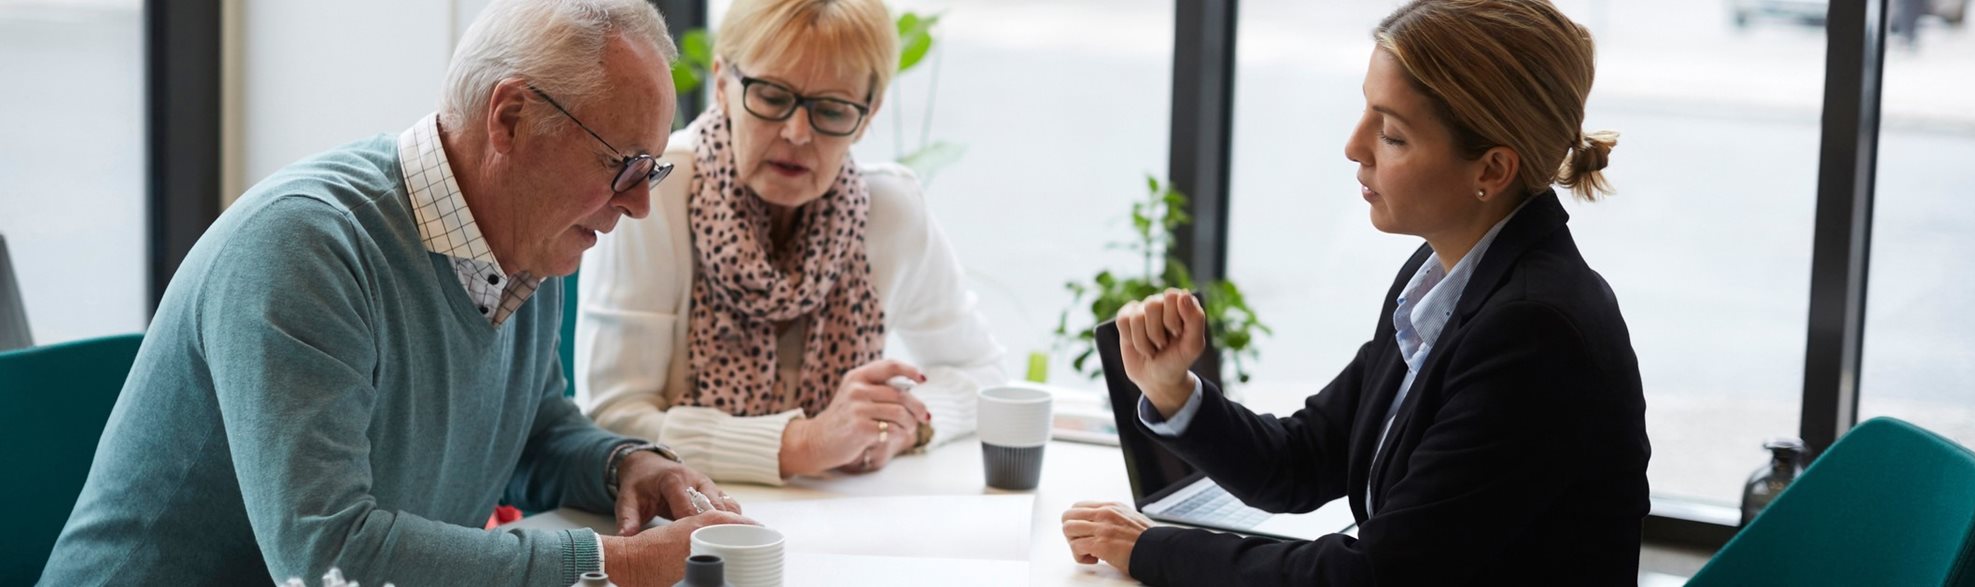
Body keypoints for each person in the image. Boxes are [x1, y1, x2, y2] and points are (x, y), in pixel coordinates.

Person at [40, 1, 748, 585]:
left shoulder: (532, 239)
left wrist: (625, 464)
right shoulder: (303, 247)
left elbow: (532, 435)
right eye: (624, 166)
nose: (638, 206)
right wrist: (610, 565)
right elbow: (328, 555)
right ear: (511, 120)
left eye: (649, 172)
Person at [1061, 0, 1650, 584]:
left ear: (1491, 171)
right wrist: (1173, 390)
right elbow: (1300, 461)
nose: (1354, 144)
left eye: (1392, 134)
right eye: (1367, 111)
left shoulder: (1534, 332)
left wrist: (1151, 551)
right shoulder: (1444, 279)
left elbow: (1374, 576)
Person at [576, 0, 1005, 485]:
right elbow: (612, 419)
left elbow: (983, 371)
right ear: (722, 83)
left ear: (867, 116)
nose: (797, 133)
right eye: (773, 97)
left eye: (831, 109)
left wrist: (900, 426)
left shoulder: (891, 209)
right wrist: (803, 444)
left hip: (844, 522)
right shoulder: (658, 191)